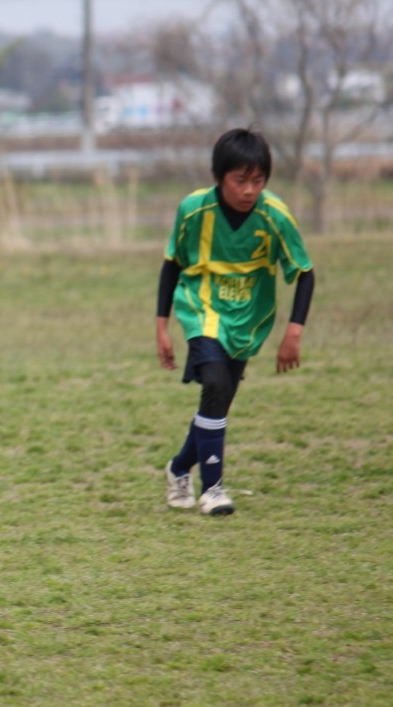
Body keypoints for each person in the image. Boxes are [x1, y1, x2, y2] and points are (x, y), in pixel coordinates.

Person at [157, 127, 316, 515]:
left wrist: (294, 332)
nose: (249, 190)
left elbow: (305, 273)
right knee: (215, 384)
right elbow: (172, 264)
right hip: (202, 309)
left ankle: (179, 468)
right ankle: (213, 491)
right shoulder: (193, 210)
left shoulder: (275, 215)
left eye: (258, 181)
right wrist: (161, 326)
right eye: (240, 180)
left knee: (219, 399)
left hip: (248, 318)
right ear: (219, 177)